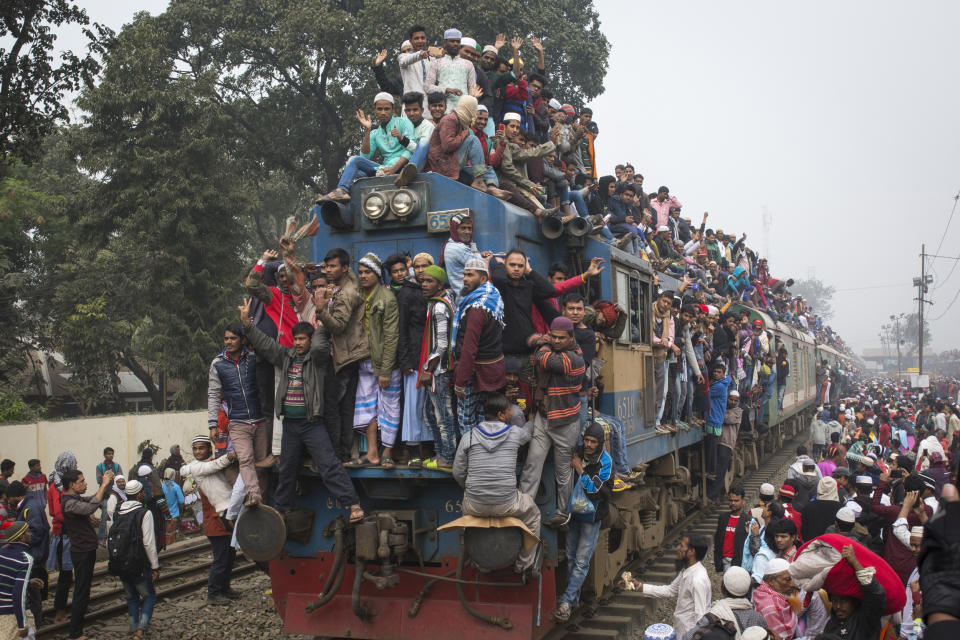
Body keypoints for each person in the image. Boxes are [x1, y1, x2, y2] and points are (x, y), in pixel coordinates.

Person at [239, 300, 364, 523]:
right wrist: (247, 324)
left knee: (329, 465)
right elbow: (266, 344)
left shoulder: (318, 360)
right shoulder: (286, 357)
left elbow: (318, 345)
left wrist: (319, 317)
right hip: (290, 425)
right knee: (286, 469)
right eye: (295, 339)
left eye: (302, 339)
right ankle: (282, 511)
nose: (297, 343)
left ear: (310, 340)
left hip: (312, 424)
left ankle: (354, 504)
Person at [452, 394, 539, 572]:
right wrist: (531, 420)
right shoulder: (514, 433)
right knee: (534, 515)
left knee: (466, 520)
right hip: (507, 503)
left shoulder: (468, 437)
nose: (512, 412)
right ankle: (523, 564)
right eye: (509, 410)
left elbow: (458, 472)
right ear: (501, 415)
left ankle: (479, 562)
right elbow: (528, 433)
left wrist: (471, 490)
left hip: (475, 504)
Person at [520, 316, 586, 529]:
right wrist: (540, 341)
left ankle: (563, 513)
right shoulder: (558, 349)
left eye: (561, 338)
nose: (557, 341)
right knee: (532, 464)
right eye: (554, 337)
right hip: (544, 416)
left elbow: (543, 357)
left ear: (571, 337)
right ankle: (523, 507)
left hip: (565, 420)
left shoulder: (574, 358)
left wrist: (545, 342)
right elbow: (530, 340)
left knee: (563, 472)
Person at [554, 421, 612, 622]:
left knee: (581, 561)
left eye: (593, 442)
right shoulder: (577, 451)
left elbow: (597, 492)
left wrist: (580, 470)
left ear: (600, 443)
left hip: (591, 517)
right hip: (574, 515)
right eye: (586, 440)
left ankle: (566, 602)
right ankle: (572, 600)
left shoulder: (606, 463)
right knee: (571, 558)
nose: (588, 444)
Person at [207, 320, 269, 507]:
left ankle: (263, 503)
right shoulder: (218, 363)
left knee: (263, 463)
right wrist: (212, 424)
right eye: (226, 338)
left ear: (242, 339)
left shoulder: (253, 357)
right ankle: (253, 495)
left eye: (233, 338)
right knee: (245, 458)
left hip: (260, 419)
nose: (229, 342)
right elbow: (213, 394)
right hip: (238, 421)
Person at [348, 252, 401, 468]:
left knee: (389, 407)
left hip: (385, 364)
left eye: (367, 272)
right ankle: (372, 453)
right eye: (360, 272)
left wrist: (386, 370)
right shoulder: (357, 295)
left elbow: (391, 336)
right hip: (363, 361)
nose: (363, 276)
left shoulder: (387, 298)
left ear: (378, 274)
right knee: (367, 406)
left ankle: (387, 451)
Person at [316, 248, 368, 461]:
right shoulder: (349, 283)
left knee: (334, 407)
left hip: (343, 357)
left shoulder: (346, 294)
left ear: (345, 268)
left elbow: (337, 326)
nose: (328, 270)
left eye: (333, 266)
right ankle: (344, 453)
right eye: (326, 266)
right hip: (350, 355)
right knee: (345, 406)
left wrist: (321, 310)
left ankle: (337, 454)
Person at [319, 93, 415, 202]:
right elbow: (365, 156)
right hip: (384, 170)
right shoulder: (375, 133)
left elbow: (410, 149)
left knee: (354, 161)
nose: (383, 112)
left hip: (402, 170)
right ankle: (343, 199)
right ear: (375, 110)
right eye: (380, 109)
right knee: (354, 169)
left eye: (387, 109)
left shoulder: (403, 122)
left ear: (393, 110)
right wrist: (367, 131)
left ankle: (342, 190)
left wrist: (394, 168)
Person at [179, 436, 239, 604]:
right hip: (215, 521)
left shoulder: (205, 464)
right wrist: (231, 455)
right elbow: (216, 465)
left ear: (209, 449)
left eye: (201, 448)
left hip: (223, 518)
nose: (198, 451)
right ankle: (213, 593)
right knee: (221, 559)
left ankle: (225, 588)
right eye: (195, 449)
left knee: (229, 557)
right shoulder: (199, 467)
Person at [451, 257, 506, 432]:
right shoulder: (493, 295)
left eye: (470, 275)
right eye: (464, 274)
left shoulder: (476, 307)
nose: (465, 279)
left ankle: (471, 456)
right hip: (491, 371)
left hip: (474, 373)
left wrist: (460, 381)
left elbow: (469, 348)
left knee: (467, 418)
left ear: (482, 279)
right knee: (485, 416)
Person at [60, 467, 114, 640]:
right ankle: (75, 634)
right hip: (81, 551)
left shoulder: (74, 498)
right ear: (71, 485)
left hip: (85, 549)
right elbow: (89, 508)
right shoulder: (68, 502)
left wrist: (105, 486)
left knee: (83, 591)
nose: (85, 483)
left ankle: (79, 630)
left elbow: (92, 500)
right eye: (81, 481)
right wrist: (103, 484)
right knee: (81, 593)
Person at [631, 534, 712, 638]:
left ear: (691, 552)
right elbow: (670, 590)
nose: (678, 548)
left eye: (682, 546)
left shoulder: (698, 580)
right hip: (682, 630)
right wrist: (639, 586)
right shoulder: (687, 570)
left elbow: (701, 617)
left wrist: (692, 636)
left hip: (689, 634)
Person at [418, 265, 458, 470]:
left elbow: (442, 343)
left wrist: (427, 369)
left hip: (438, 371)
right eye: (423, 280)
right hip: (436, 370)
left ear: (440, 285)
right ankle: (440, 453)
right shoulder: (440, 300)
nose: (424, 284)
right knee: (431, 413)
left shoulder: (439, 307)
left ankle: (448, 458)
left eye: (429, 281)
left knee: (443, 415)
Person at [112, 479, 159, 639]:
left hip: (121, 562)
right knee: (149, 596)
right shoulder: (144, 513)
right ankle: (140, 630)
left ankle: (133, 626)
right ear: (139, 494)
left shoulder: (118, 512)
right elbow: (149, 542)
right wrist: (155, 566)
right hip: (138, 563)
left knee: (131, 597)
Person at [680, 566, 767, 640]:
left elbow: (687, 637)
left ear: (723, 589)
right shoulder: (758, 617)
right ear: (748, 589)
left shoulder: (713, 616)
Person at [822, 544, 885, 640]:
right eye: (835, 601)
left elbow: (876, 595)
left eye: (843, 601)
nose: (838, 606)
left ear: (854, 601)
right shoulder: (831, 625)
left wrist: (855, 562)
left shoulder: (865, 620)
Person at [6, 481, 47, 625]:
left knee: (32, 591)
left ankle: (36, 622)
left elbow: (36, 532)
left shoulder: (30, 508)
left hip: (33, 556)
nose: (7, 501)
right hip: (32, 554)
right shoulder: (27, 506)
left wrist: (19, 544)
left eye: (8, 497)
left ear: (14, 497)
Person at [46, 450, 77, 625]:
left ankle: (64, 607)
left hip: (62, 533)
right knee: (65, 576)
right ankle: (60, 611)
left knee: (67, 575)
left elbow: (51, 511)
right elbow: (58, 513)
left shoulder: (54, 483)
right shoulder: (59, 487)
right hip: (64, 536)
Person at [424, 28, 476, 113]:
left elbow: (472, 90)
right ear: (445, 42)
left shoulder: (468, 64)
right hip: (442, 111)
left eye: (458, 41)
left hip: (463, 111)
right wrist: (447, 90)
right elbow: (428, 87)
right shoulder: (436, 63)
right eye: (452, 41)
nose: (455, 44)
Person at [0, 521, 36, 639]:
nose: (30, 534)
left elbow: (5, 579)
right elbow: (19, 594)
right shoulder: (25, 559)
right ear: (21, 537)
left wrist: (28, 583)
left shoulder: (2, 553)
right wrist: (22, 624)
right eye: (27, 532)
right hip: (12, 614)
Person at [751, 557, 799, 639]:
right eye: (787, 580)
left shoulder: (763, 592)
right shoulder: (770, 607)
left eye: (792, 579)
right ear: (771, 581)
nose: (792, 584)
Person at [713, 486, 749, 573]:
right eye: (730, 500)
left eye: (736, 500)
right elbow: (718, 539)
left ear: (743, 501)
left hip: (740, 563)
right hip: (725, 561)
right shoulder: (723, 518)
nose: (732, 503)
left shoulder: (749, 520)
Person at [800, 476, 841, 541]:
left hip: (812, 545)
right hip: (832, 545)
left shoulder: (808, 507)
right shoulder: (840, 508)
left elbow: (804, 529)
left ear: (819, 487)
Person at [160, 469, 185, 545]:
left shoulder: (161, 486)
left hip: (163, 515)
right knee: (173, 534)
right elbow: (181, 500)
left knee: (166, 534)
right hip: (174, 515)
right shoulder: (176, 486)